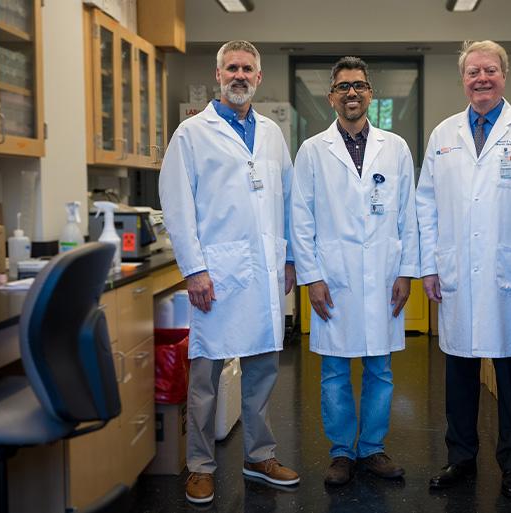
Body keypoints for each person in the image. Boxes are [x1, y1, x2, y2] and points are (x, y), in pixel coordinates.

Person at [158, 40, 299, 504]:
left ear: (258, 78)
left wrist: (292, 258)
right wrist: (194, 270)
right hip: (214, 276)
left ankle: (259, 456)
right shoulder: (191, 134)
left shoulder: (274, 135)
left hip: (263, 272)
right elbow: (177, 207)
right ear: (218, 75)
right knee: (205, 376)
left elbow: (288, 201)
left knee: (262, 369)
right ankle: (200, 464)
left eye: (248, 69)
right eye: (231, 68)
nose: (239, 75)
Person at [416, 40, 511, 498]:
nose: (481, 78)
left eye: (490, 70)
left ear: (504, 75)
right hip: (457, 270)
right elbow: (426, 206)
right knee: (458, 371)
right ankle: (461, 459)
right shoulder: (443, 135)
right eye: (473, 71)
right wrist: (429, 266)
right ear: (463, 79)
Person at [291, 56, 420, 486]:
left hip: (384, 274)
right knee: (334, 372)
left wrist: (405, 272)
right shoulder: (312, 150)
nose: (351, 92)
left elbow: (408, 214)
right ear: (331, 97)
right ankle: (342, 452)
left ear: (370, 94)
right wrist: (311, 276)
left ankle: (373, 449)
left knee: (381, 370)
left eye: (359, 85)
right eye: (343, 86)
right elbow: (301, 218)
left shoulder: (396, 148)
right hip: (334, 276)